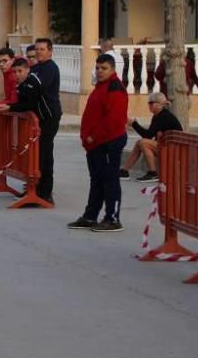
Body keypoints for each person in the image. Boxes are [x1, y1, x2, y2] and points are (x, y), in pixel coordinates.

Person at [68, 54, 128, 232]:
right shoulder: (100, 87)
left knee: (110, 180)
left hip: (109, 142)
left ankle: (112, 218)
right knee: (97, 180)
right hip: (95, 145)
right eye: (98, 68)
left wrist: (94, 136)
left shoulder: (115, 88)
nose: (100, 71)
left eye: (104, 68)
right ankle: (90, 216)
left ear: (112, 69)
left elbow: (115, 119)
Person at [120, 91, 182, 183]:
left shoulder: (163, 116)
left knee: (143, 142)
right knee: (140, 143)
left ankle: (152, 173)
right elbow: (149, 134)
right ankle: (125, 171)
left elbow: (147, 135)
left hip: (173, 148)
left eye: (151, 103)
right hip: (166, 146)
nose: (149, 106)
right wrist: (134, 124)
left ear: (159, 104)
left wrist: (134, 124)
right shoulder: (158, 115)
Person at [30, 38, 62, 203]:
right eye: (37, 49)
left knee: (45, 154)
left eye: (42, 49)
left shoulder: (51, 68)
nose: (39, 52)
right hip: (36, 117)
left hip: (49, 117)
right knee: (34, 155)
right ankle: (32, 189)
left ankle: (46, 192)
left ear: (50, 51)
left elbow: (36, 87)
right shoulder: (35, 68)